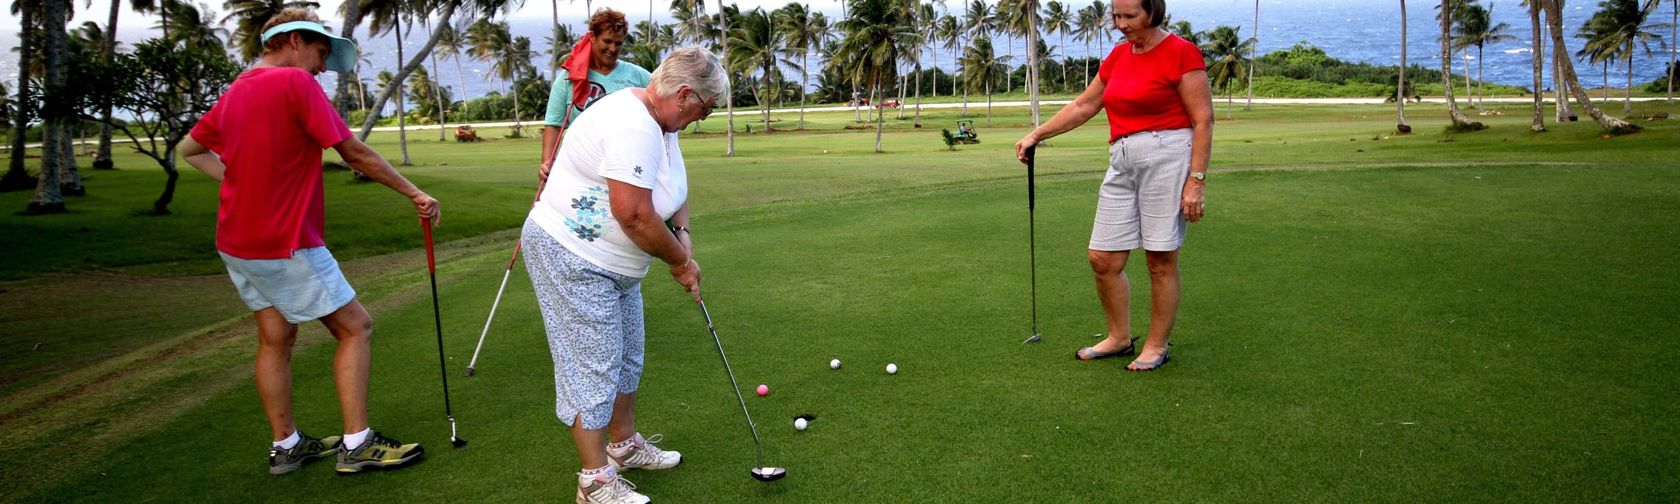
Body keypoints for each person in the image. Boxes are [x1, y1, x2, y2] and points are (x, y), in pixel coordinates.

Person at [177, 8, 438, 474]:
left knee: (276, 338)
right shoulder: (295, 85)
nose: (322, 67)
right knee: (355, 327)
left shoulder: (237, 89)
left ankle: (287, 445)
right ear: (295, 41)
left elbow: (190, 150)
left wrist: (240, 182)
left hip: (237, 242)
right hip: (286, 240)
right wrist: (414, 191)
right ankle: (357, 445)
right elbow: (353, 152)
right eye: (320, 53)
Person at [522, 47, 724, 504]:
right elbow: (633, 214)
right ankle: (594, 482)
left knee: (627, 356)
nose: (702, 118)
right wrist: (679, 262)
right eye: (704, 110)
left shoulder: (661, 120)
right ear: (685, 94)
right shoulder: (634, 124)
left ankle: (624, 446)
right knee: (592, 366)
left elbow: (673, 185)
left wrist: (683, 232)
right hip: (571, 256)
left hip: (616, 266)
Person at [1013, 0, 1213, 372]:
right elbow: (1084, 106)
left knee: (1160, 259)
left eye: (1129, 16)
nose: (1121, 25)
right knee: (1103, 259)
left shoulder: (1181, 53)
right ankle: (1119, 338)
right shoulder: (1119, 57)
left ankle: (1156, 345)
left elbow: (1203, 120)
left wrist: (1195, 181)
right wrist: (1037, 135)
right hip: (1121, 160)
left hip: (1168, 156)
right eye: (1116, 17)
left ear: (1153, 12)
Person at [541, 8, 651, 182]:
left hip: (627, 167)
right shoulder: (568, 79)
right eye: (607, 41)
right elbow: (554, 124)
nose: (613, 49)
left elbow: (661, 111)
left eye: (618, 43)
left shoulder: (639, 76)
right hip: (580, 168)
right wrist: (548, 162)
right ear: (592, 37)